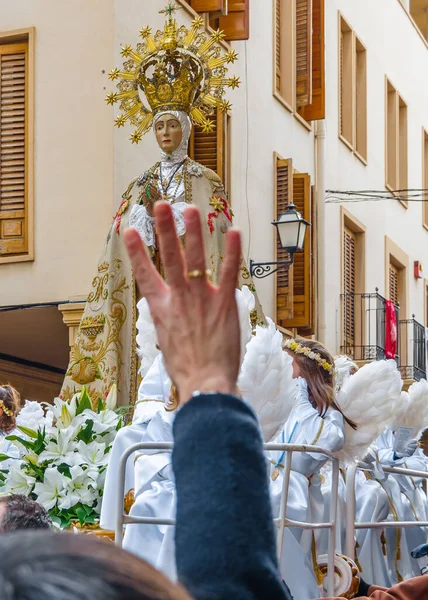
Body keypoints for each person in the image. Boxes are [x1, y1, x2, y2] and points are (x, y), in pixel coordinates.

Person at [122, 200, 428, 599]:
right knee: (154, 489)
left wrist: (211, 394)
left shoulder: (324, 414)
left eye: (291, 365)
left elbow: (316, 448)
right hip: (270, 475)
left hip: (296, 485)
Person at [59, 3, 261, 409]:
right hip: (151, 298)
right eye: (159, 126)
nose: (165, 133)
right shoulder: (141, 183)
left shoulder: (207, 181)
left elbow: (217, 236)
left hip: (193, 292)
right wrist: (139, 230)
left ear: (186, 128)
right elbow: (118, 248)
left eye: (172, 124)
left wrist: (186, 231)